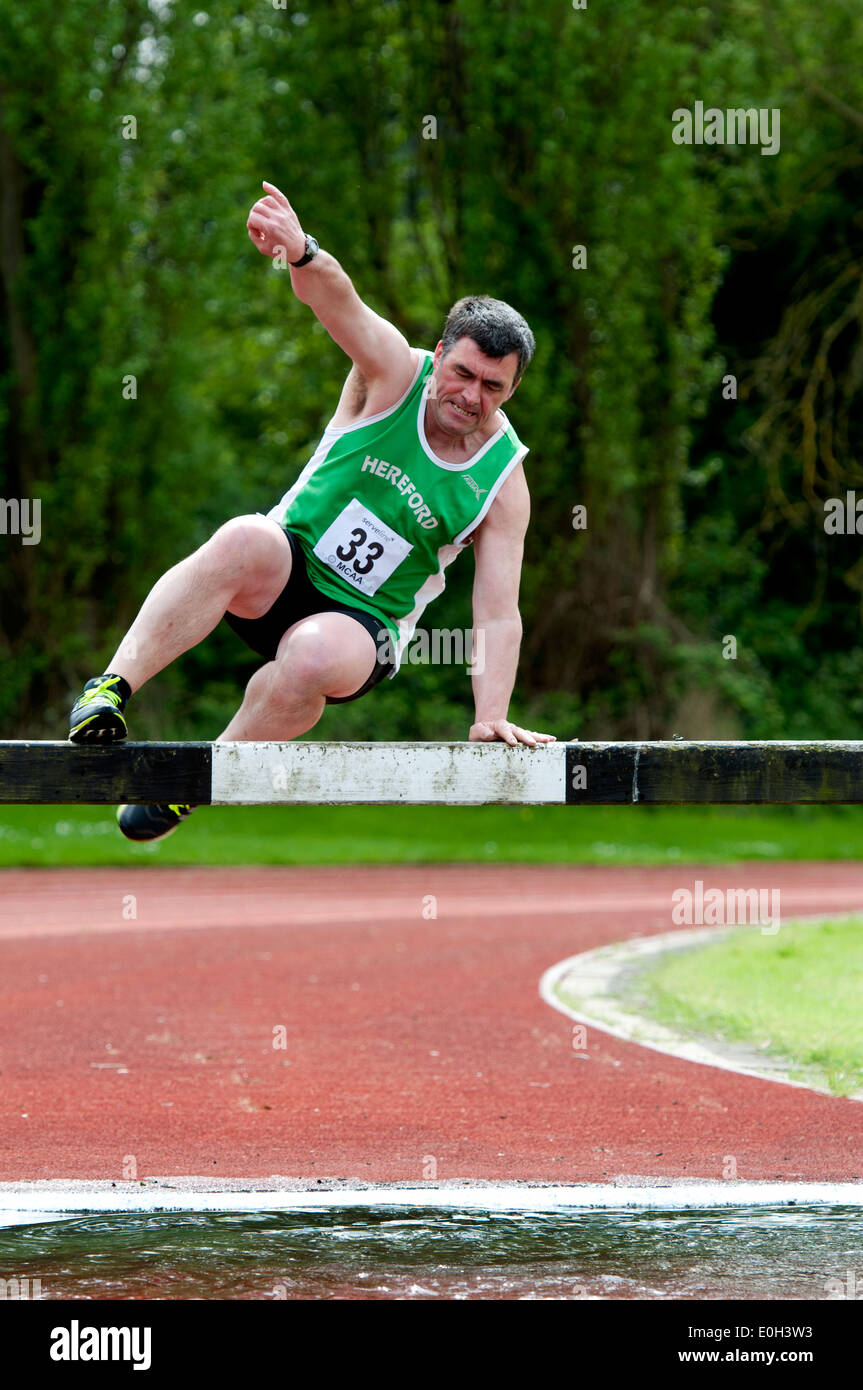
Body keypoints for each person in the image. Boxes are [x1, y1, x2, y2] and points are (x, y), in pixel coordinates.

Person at [68, 181, 555, 841]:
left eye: (492, 387)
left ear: (512, 389)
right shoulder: (391, 373)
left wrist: (489, 713)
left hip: (362, 623)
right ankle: (109, 692)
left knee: (310, 658)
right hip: (285, 568)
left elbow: (498, 609)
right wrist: (300, 252)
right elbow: (339, 302)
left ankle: (198, 779)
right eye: (462, 374)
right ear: (438, 355)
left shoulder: (502, 481)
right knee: (244, 535)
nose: (470, 397)